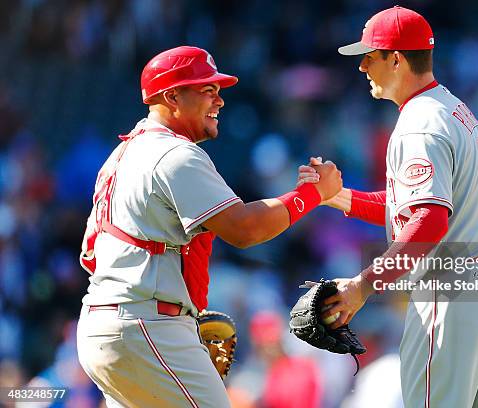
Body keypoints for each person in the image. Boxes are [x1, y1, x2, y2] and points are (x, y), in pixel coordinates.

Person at [76, 45, 342, 408]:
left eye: (218, 91)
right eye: (206, 90)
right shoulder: (173, 153)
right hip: (146, 324)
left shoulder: (122, 155)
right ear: (171, 96)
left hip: (105, 326)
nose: (218, 101)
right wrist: (312, 194)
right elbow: (244, 229)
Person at [298, 7, 478, 407]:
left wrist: (364, 284)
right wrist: (338, 197)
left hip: (457, 284)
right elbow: (415, 208)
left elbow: (428, 223)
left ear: (396, 58)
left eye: (369, 56)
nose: (363, 67)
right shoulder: (450, 107)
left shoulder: (419, 123)